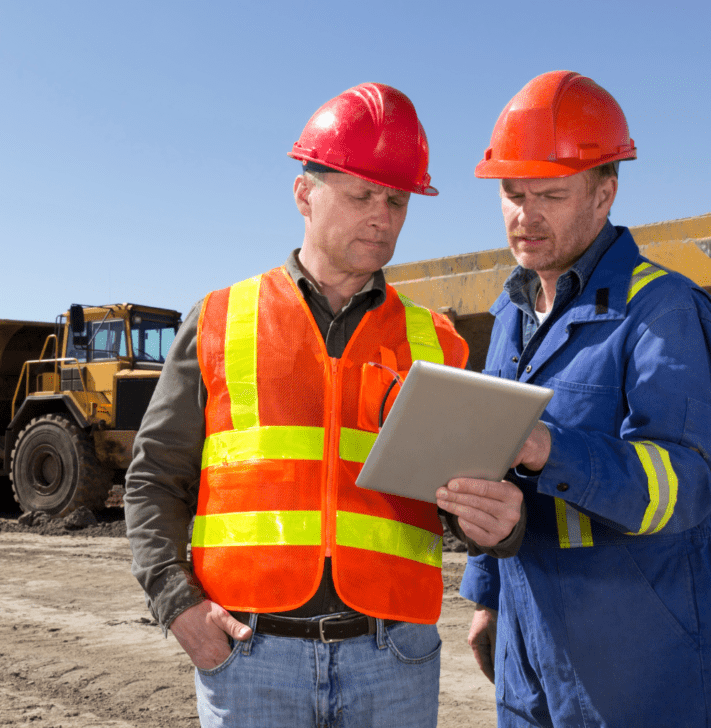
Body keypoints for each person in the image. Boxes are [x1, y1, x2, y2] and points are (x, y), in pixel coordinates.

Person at [124, 82, 525, 728]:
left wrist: (502, 526)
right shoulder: (222, 320)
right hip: (250, 657)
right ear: (303, 193)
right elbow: (152, 481)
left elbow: (465, 508)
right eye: (362, 193)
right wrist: (177, 606)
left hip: (393, 657)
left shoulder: (436, 342)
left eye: (396, 199)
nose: (382, 215)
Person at [455, 70, 711, 726]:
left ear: (604, 195)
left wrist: (548, 446)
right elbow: (488, 468)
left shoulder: (662, 310)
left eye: (550, 194)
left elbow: (683, 487)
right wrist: (486, 595)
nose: (525, 216)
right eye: (512, 194)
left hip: (637, 662)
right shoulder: (509, 313)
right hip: (527, 648)